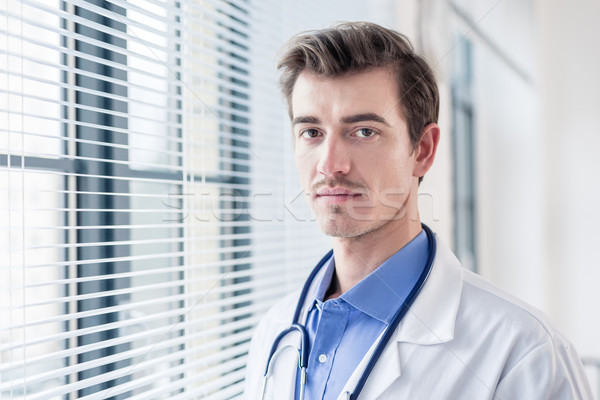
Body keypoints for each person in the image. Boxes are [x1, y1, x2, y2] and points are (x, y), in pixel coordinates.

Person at [244, 22, 592, 400]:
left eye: (363, 131)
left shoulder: (524, 354)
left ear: (422, 150)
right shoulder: (274, 333)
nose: (330, 165)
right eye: (311, 132)